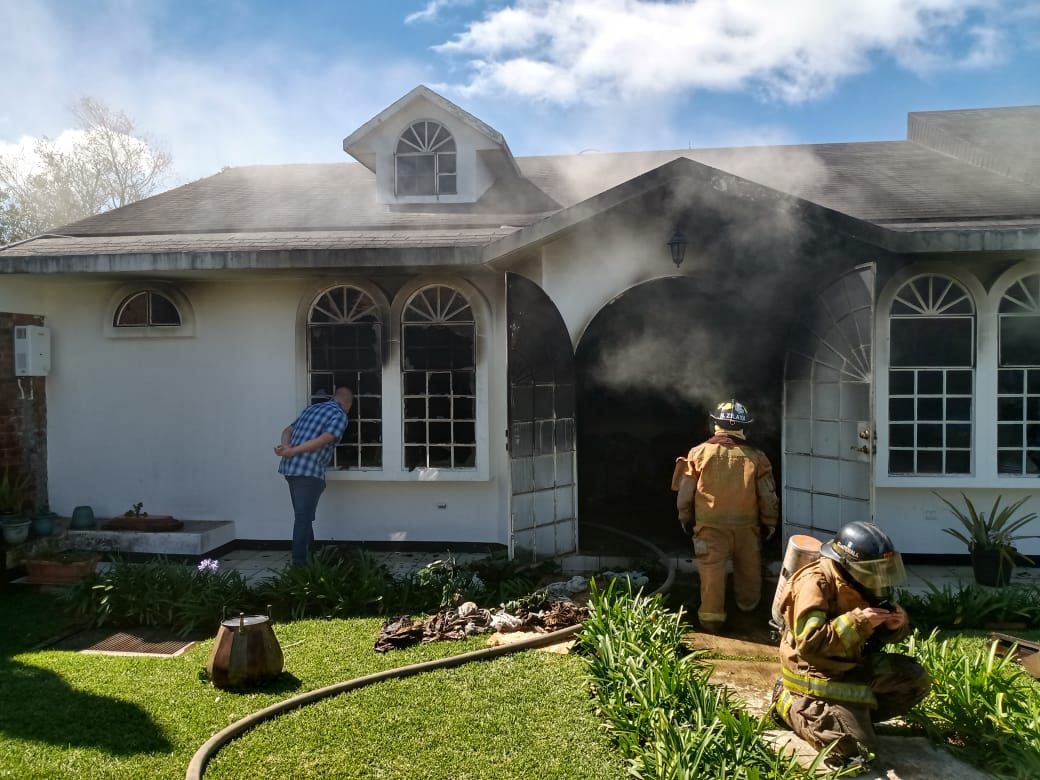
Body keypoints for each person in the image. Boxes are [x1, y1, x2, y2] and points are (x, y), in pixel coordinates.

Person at [771, 521, 931, 772]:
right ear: (847, 563)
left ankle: (849, 717)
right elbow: (810, 644)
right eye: (874, 569)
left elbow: (877, 636)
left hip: (851, 664)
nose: (880, 576)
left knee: (915, 679)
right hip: (816, 675)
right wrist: (858, 622)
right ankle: (787, 704)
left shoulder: (863, 580)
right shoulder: (815, 583)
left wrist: (894, 626)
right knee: (858, 751)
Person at [671, 399, 779, 634]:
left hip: (709, 528)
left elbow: (685, 493)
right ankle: (749, 612)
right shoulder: (757, 457)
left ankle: (711, 622)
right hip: (747, 529)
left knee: (711, 574)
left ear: (715, 424)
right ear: (745, 427)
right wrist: (769, 522)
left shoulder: (698, 453)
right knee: (749, 571)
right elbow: (767, 495)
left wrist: (685, 517)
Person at [274, 387, 353, 565]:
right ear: (347, 404)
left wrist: (285, 447)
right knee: (303, 518)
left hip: (289, 469)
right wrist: (292, 450)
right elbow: (326, 438)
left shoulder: (311, 408)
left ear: (333, 397)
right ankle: (299, 564)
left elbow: (287, 430)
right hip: (308, 471)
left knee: (303, 516)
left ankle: (310, 556)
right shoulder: (340, 415)